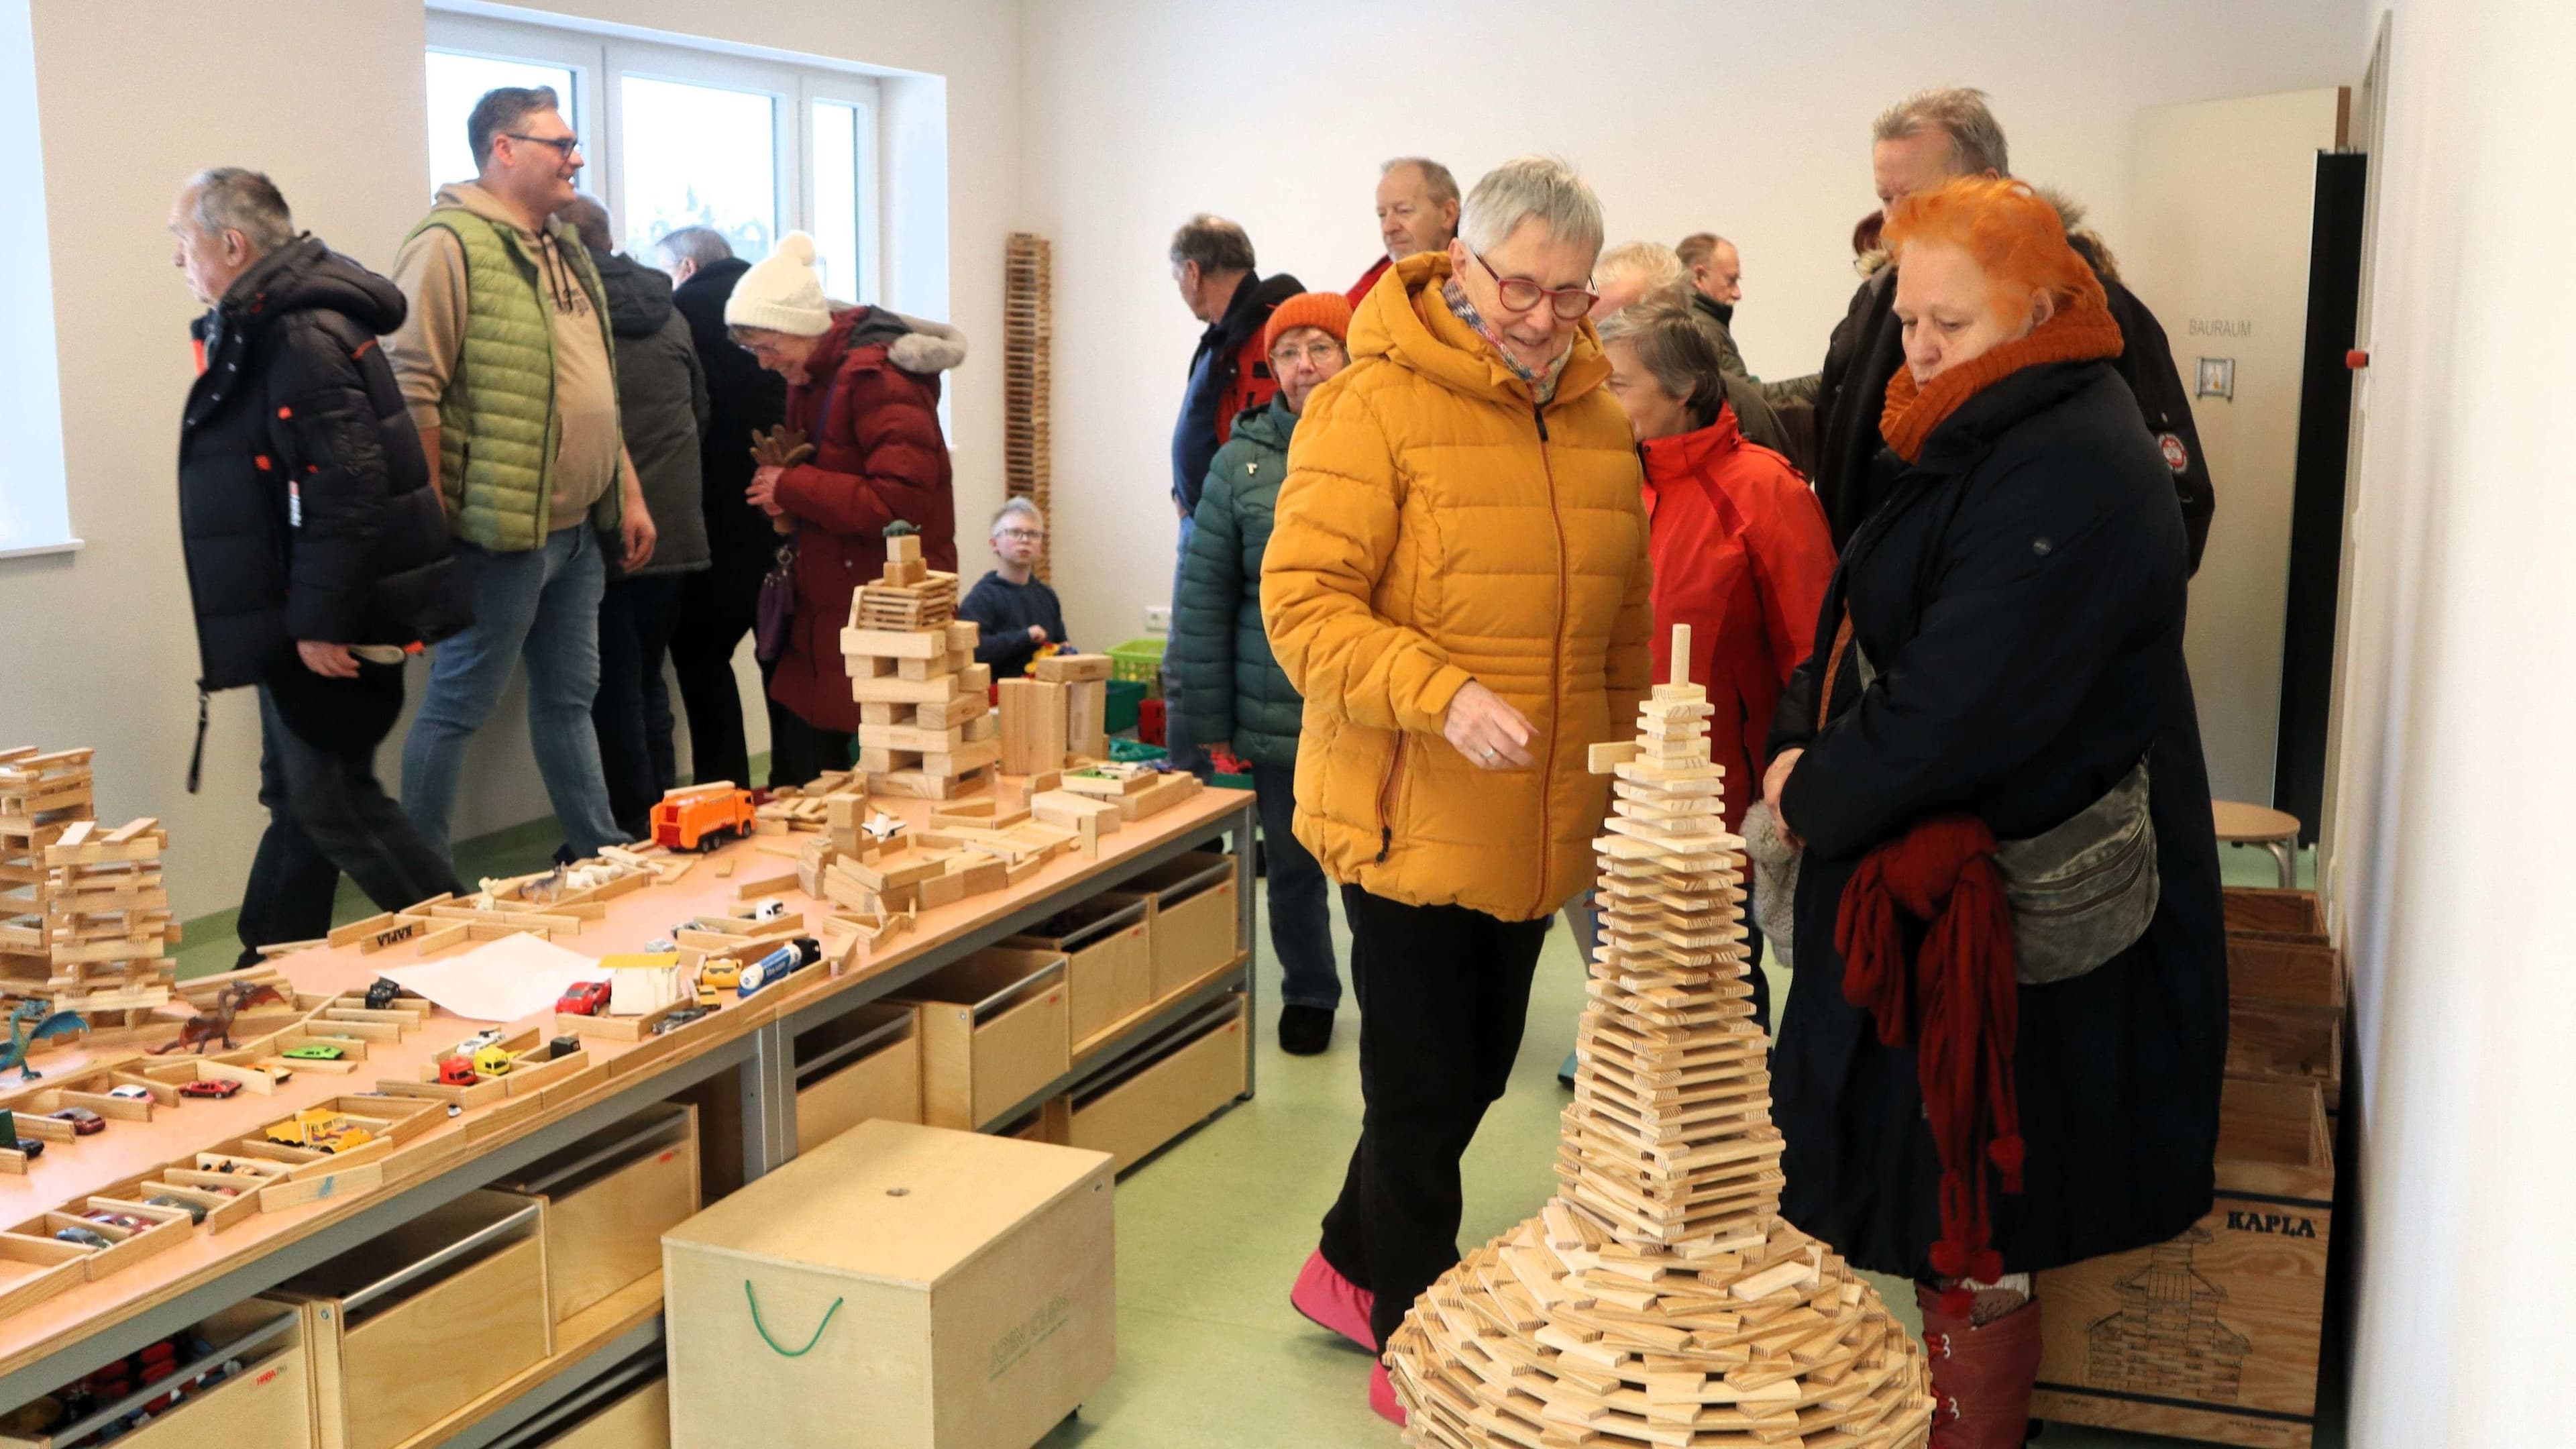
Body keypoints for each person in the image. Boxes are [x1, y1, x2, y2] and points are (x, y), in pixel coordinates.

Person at [1761, 177, 2225, 1447]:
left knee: (1971, 1199)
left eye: (1946, 324)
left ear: (2037, 307)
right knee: (1949, 1201)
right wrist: (1803, 728)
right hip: (1962, 871)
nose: (1915, 348)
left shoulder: (2070, 460)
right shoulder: (1982, 413)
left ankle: (1970, 1425)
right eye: (1905, 317)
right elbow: (1866, 607)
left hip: (2021, 896)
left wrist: (1815, 792)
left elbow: (1965, 702)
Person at [1263, 156, 1651, 1425]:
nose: (1544, 318)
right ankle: (1415, 1352)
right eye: (1520, 286)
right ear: (1461, 266)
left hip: (1540, 822)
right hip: (1406, 808)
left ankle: (1343, 1263)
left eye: (1572, 295)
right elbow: (1303, 607)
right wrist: (1440, 693)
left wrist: (1637, 775)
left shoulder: (1597, 419)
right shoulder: (1366, 405)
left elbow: (1620, 631)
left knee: (1479, 1070)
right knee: (1423, 1093)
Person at [167, 168, 470, 963]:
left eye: (183, 241)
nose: (178, 261)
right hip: (300, 601)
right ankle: (265, 964)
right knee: (299, 797)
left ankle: (477, 943)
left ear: (232, 245)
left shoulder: (298, 334)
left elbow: (346, 487)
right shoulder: (268, 323)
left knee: (333, 800)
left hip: (330, 611)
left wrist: (319, 621)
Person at [387, 85, 656, 865]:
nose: (575, 159)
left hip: (579, 532)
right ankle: (424, 884)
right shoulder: (447, 244)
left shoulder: (565, 245)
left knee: (572, 699)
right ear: (504, 149)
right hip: (501, 533)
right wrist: (430, 516)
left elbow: (595, 383)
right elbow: (412, 386)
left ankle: (599, 850)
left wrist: (628, 491)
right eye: (559, 145)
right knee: (457, 709)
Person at [1808, 87, 2214, 567]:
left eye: (1916, 200)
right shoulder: (1875, 302)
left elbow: (2173, 505)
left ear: (1988, 186)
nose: (1893, 225)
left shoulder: (2094, 313)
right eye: (1885, 199)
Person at [1583, 299, 1837, 1030]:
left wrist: (1790, 787)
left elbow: (1815, 656)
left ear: (1684, 387)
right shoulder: (1607, 485)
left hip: (1719, 803)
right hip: (1623, 798)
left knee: (1719, 1000)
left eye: (1618, 385)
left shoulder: (1764, 491)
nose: (1602, 401)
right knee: (1629, 994)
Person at [1171, 291, 1353, 1057]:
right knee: (1294, 869)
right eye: (1288, 352)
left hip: (1374, 700)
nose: (1304, 366)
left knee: (1385, 874)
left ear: (1351, 354)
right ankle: (1308, 990)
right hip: (1278, 704)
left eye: (1321, 347)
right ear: (1270, 366)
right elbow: (1204, 597)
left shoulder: (1388, 442)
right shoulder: (1238, 461)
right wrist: (1204, 727)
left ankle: (1398, 1001)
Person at [726, 231, 964, 786]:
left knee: (890, 776)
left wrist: (792, 487)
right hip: (836, 595)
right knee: (817, 770)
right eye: (753, 350)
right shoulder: (812, 372)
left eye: (767, 347)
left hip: (887, 603)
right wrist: (787, 502)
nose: (763, 364)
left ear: (801, 329)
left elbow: (899, 503)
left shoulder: (877, 378)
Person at [557, 198, 709, 839]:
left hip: (611, 527)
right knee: (648, 683)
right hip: (677, 524)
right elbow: (700, 408)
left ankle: (632, 829)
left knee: (609, 692)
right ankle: (664, 815)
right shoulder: (668, 309)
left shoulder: (573, 318)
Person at [656, 225, 790, 792]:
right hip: (786, 510)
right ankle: (798, 782)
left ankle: (723, 789)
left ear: (686, 267)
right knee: (781, 651)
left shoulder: (678, 314)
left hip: (712, 517)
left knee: (700, 653)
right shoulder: (777, 308)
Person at [1168, 215, 1301, 771]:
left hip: (1228, 529)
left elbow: (1261, 436)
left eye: (1177, 277)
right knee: (1191, 668)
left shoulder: (1261, 332)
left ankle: (1199, 812)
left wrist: (1212, 498)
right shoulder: (1231, 331)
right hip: (1205, 518)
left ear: (1194, 272)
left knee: (1194, 668)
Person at [1590, 241, 1800, 470]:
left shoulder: (1739, 409)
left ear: (1671, 323)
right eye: (1591, 326)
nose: (1596, 345)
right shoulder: (1578, 397)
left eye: (1617, 328)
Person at [959, 498, 1069, 680]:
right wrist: (1024, 637)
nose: (1025, 540)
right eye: (1015, 532)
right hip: (998, 699)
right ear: (994, 544)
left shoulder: (1047, 596)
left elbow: (1059, 643)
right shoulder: (981, 598)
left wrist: (1065, 651)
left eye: (1033, 534)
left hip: (1045, 694)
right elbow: (971, 652)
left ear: (1041, 546)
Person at [1346, 157, 1461, 304]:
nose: (1388, 227)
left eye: (1403, 211)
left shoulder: (1486, 277)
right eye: (1382, 215)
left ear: (1448, 214)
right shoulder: (1379, 282)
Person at [1674, 231, 1750, 378]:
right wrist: (1809, 386)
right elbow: (1745, 398)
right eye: (1731, 280)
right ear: (1699, 276)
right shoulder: (1702, 331)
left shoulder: (1691, 325)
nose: (1737, 294)